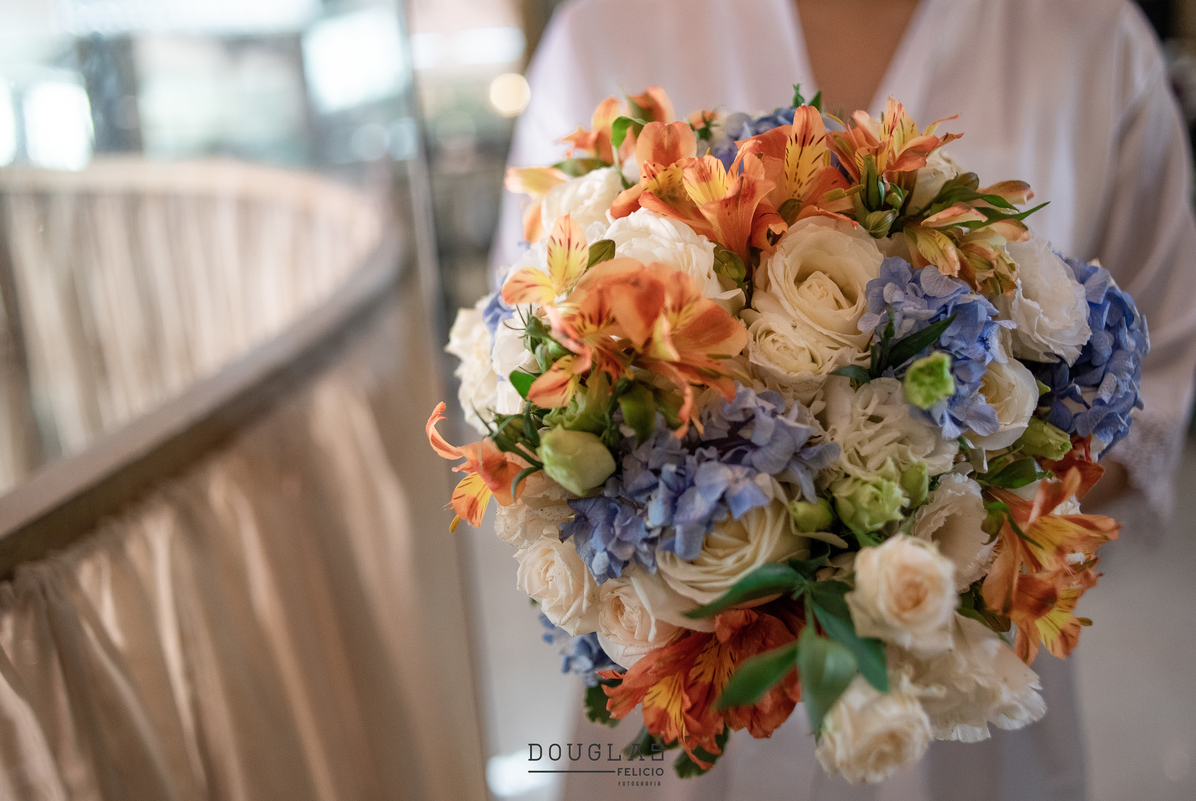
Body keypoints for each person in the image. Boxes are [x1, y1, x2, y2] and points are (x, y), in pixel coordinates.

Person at [490, 0, 1196, 798]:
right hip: (681, 699)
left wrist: (937, 536)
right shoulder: (609, 29)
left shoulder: (1096, 39)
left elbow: (1153, 397)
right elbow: (520, 356)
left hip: (954, 692)